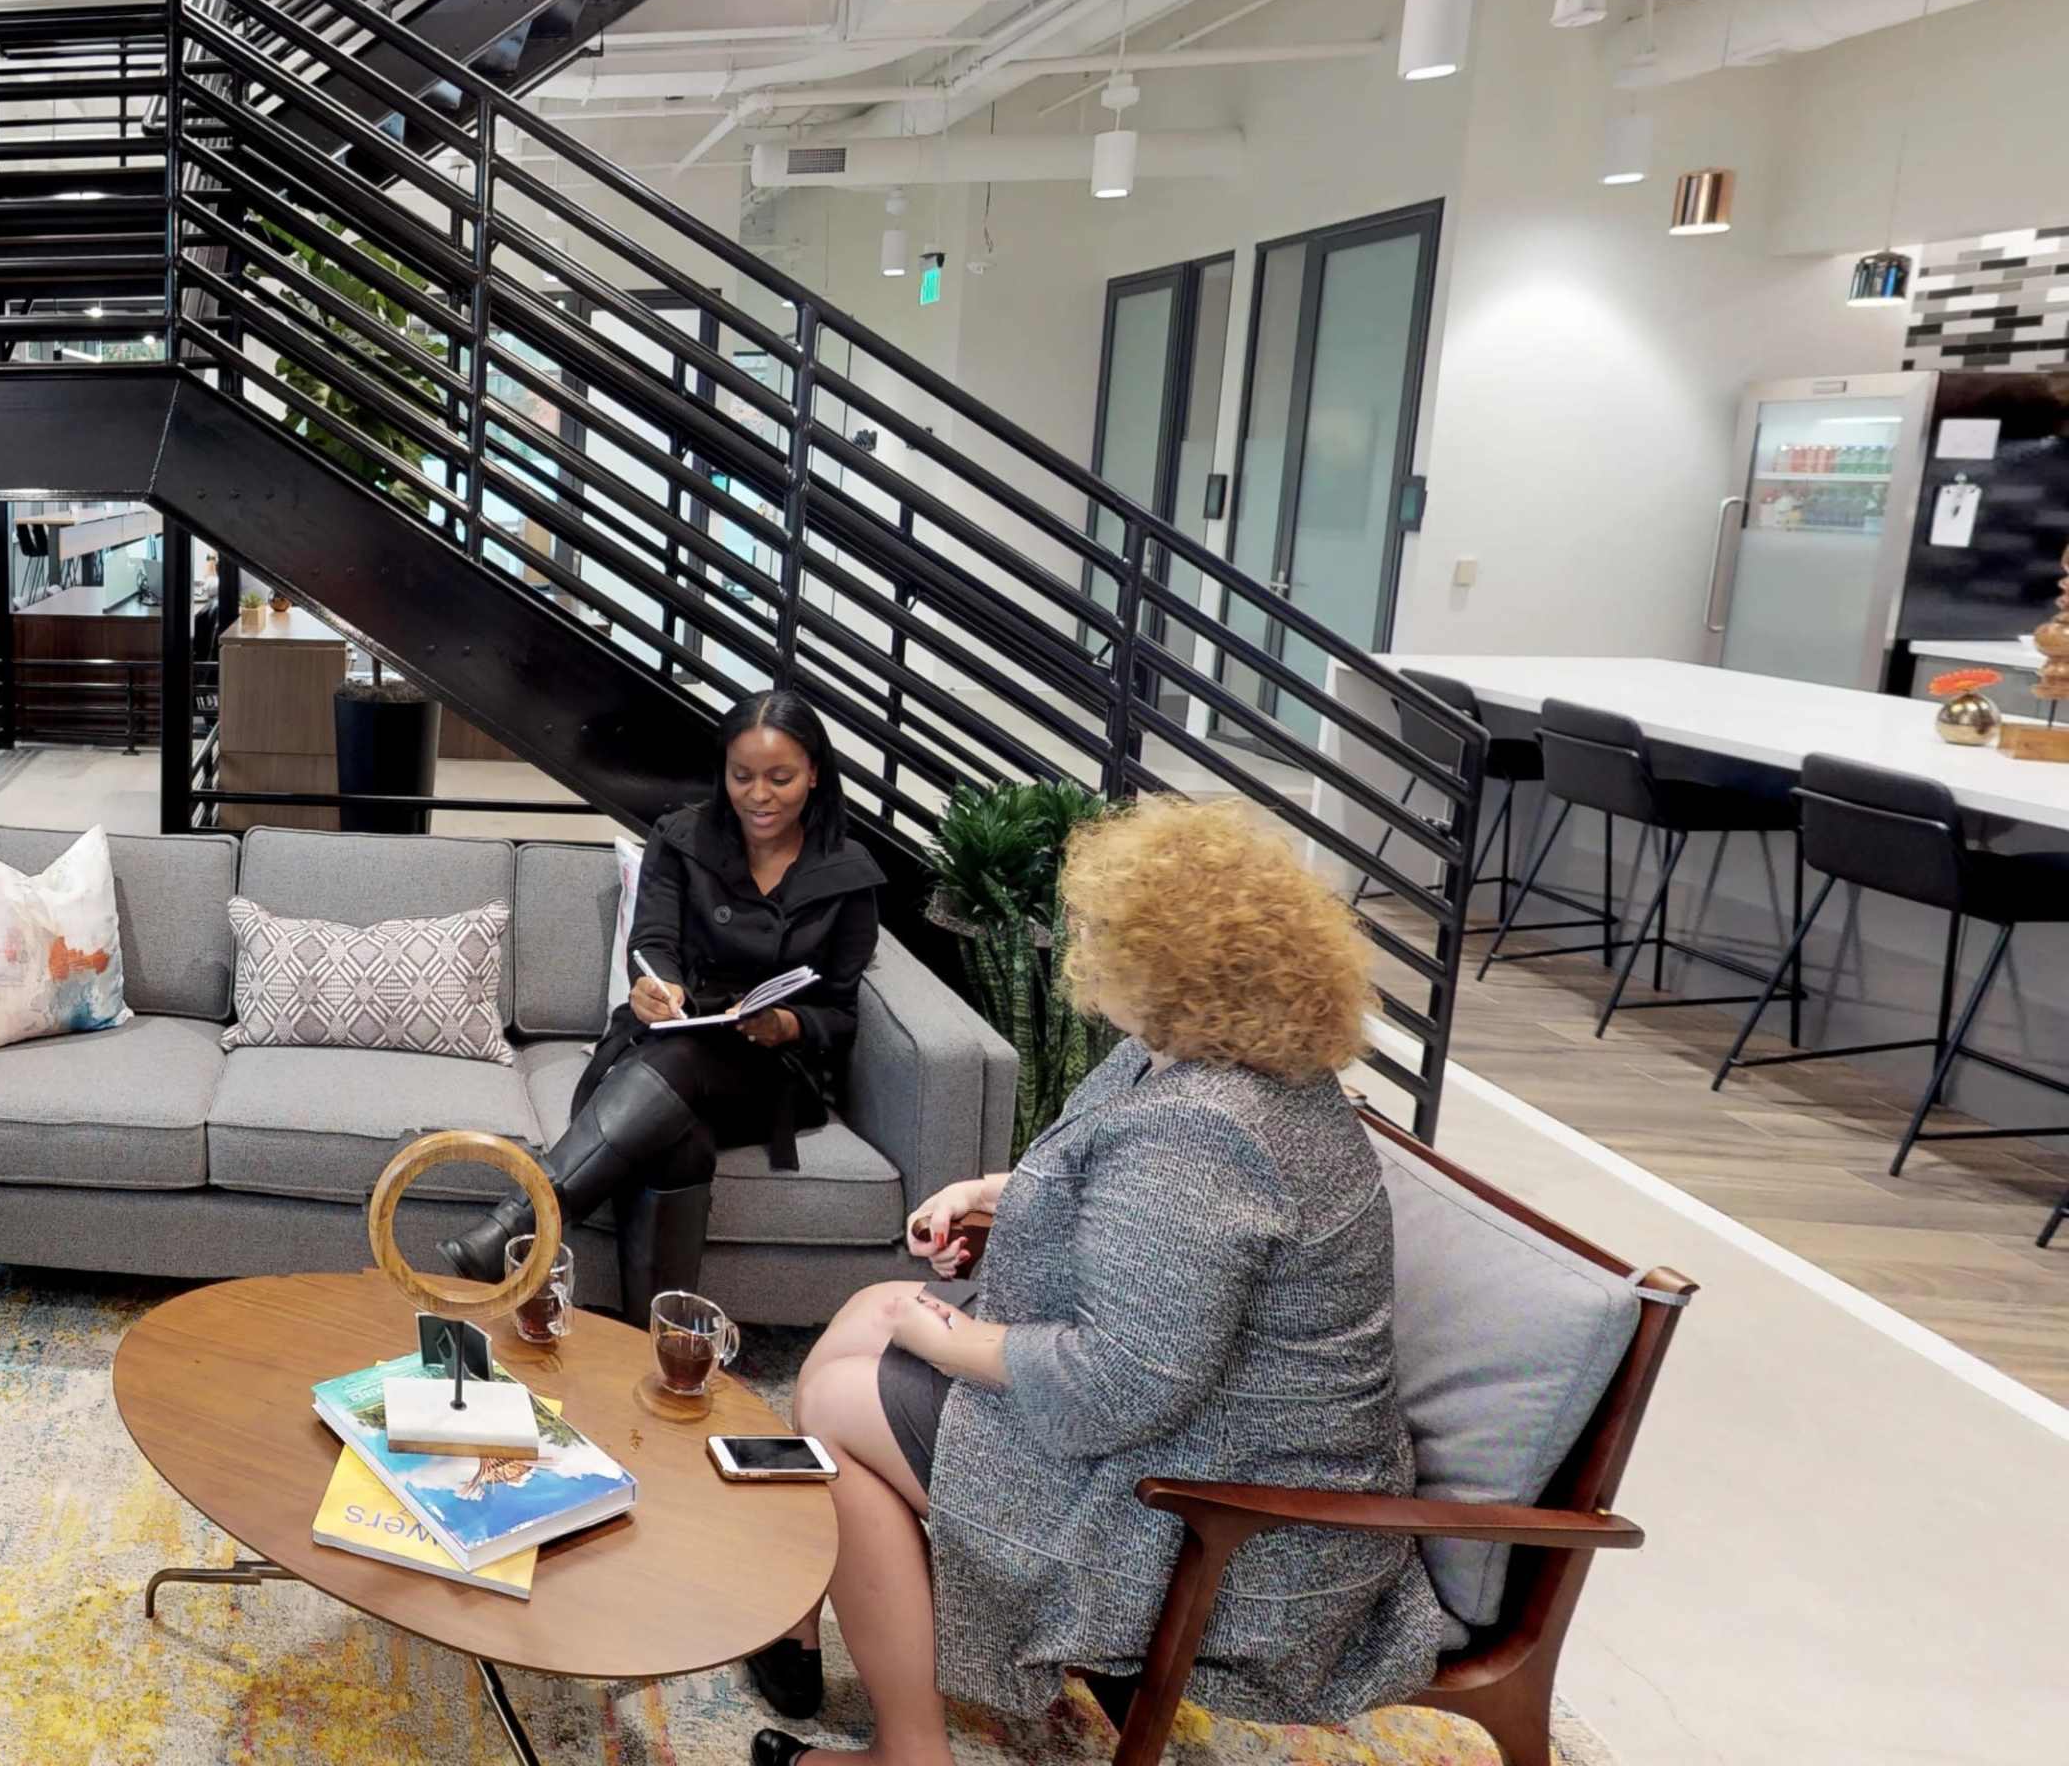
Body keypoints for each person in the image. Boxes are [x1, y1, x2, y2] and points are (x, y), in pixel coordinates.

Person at [746, 794, 1448, 1765]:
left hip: (1224, 1519)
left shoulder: (1209, 1127)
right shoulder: (1200, 1059)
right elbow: (1132, 1205)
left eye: (1093, 933)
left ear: (1163, 960)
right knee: (869, 1311)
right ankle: (802, 1615)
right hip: (1211, 1432)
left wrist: (941, 1334)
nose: (1074, 951)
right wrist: (993, 1195)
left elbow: (1118, 1387)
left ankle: (908, 1752)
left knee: (837, 1400)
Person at [444, 688, 881, 1313]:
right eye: (742, 776)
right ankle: (648, 1342)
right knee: (679, 1140)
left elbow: (840, 1014)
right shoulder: (683, 838)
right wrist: (657, 986)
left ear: (813, 773)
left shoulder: (848, 873)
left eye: (780, 778)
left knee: (680, 1065)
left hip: (770, 1073)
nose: (759, 795)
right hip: (669, 1039)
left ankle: (517, 1227)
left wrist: (786, 1023)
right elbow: (652, 942)